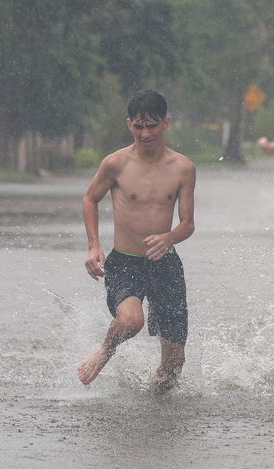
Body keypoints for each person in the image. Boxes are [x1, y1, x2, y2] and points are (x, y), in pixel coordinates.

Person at [77, 89, 196, 393]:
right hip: (126, 262)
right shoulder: (115, 164)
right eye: (138, 126)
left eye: (152, 126)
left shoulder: (183, 168)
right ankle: (105, 350)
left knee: (173, 367)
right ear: (128, 123)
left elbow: (187, 224)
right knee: (131, 321)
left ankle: (152, 407)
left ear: (166, 123)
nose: (145, 133)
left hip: (165, 264)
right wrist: (94, 245)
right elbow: (90, 198)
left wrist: (169, 237)